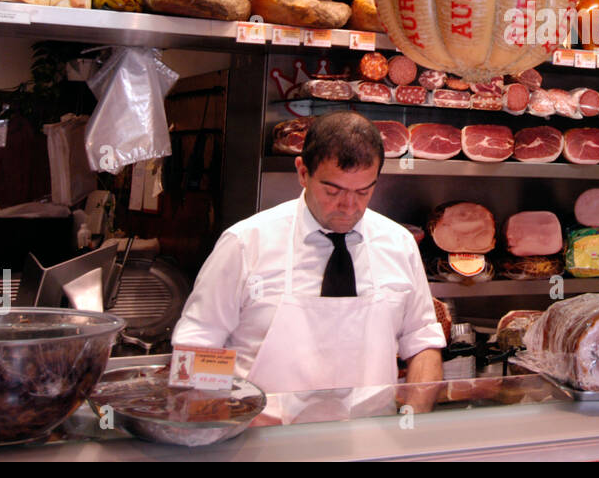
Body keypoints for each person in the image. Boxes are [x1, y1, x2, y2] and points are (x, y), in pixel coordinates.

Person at [173, 111, 445, 398]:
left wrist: (412, 419)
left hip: (370, 435)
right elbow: (198, 343)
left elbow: (422, 341)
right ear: (303, 172)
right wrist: (224, 417)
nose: (348, 206)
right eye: (332, 190)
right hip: (262, 436)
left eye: (363, 191)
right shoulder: (245, 243)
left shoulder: (399, 244)